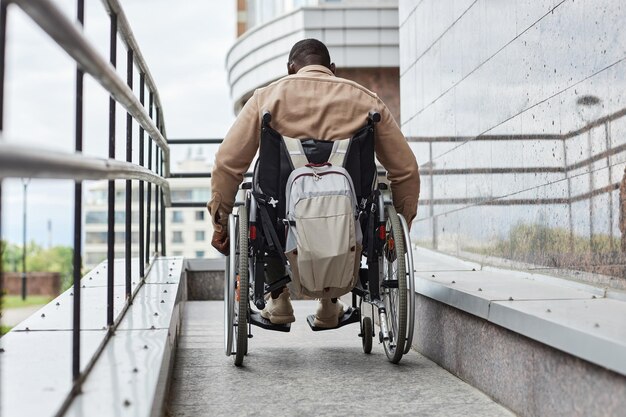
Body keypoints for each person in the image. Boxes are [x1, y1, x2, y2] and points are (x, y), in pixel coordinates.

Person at [208, 39, 419, 328]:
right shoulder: (366, 100)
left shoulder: (266, 99)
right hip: (350, 219)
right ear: (332, 69)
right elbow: (405, 169)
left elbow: (227, 164)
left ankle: (279, 297)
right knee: (357, 207)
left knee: (261, 202)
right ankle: (329, 305)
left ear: (290, 69)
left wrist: (220, 221)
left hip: (280, 223)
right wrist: (402, 224)